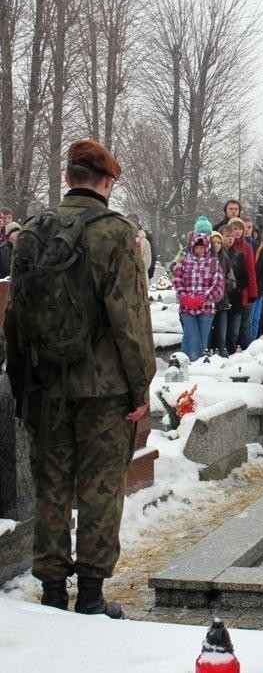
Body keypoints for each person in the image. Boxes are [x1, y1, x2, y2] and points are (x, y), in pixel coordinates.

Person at [4, 139, 155, 619]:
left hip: (45, 385)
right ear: (107, 183)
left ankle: (50, 592)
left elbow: (13, 318)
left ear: (68, 178)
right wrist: (140, 386)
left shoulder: (30, 232)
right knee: (99, 488)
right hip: (105, 391)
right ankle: (90, 594)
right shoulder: (115, 233)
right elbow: (130, 320)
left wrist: (23, 383)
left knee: (50, 487)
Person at [173, 233, 224, 361]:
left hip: (206, 307)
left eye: (202, 247)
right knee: (191, 337)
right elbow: (177, 280)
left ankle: (199, 366)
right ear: (192, 247)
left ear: (207, 248)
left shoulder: (213, 262)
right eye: (197, 247)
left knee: (202, 341)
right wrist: (184, 296)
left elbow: (218, 285)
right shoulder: (183, 261)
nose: (199, 250)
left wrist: (203, 297)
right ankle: (187, 363)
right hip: (187, 307)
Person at [228, 217, 258, 349]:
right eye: (235, 228)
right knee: (230, 326)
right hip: (228, 292)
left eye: (241, 228)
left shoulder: (247, 247)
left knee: (244, 325)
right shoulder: (227, 246)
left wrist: (253, 293)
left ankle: (244, 350)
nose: (238, 231)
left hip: (244, 292)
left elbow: (251, 271)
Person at [220, 224, 249, 353]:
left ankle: (231, 354)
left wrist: (237, 289)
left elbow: (245, 276)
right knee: (221, 332)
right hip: (221, 299)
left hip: (236, 299)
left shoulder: (239, 255)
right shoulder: (217, 255)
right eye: (227, 236)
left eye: (232, 236)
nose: (230, 239)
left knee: (234, 332)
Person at [210, 230, 235, 357]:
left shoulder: (225, 259)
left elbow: (232, 281)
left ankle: (220, 355)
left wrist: (222, 284)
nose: (216, 245)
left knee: (221, 334)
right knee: (209, 332)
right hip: (208, 303)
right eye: (213, 242)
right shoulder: (205, 259)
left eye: (219, 242)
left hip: (223, 302)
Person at [126, 213, 152, 284]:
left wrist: (130, 268)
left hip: (139, 282)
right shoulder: (120, 240)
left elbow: (146, 263)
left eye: (133, 223)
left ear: (137, 225)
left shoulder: (144, 242)